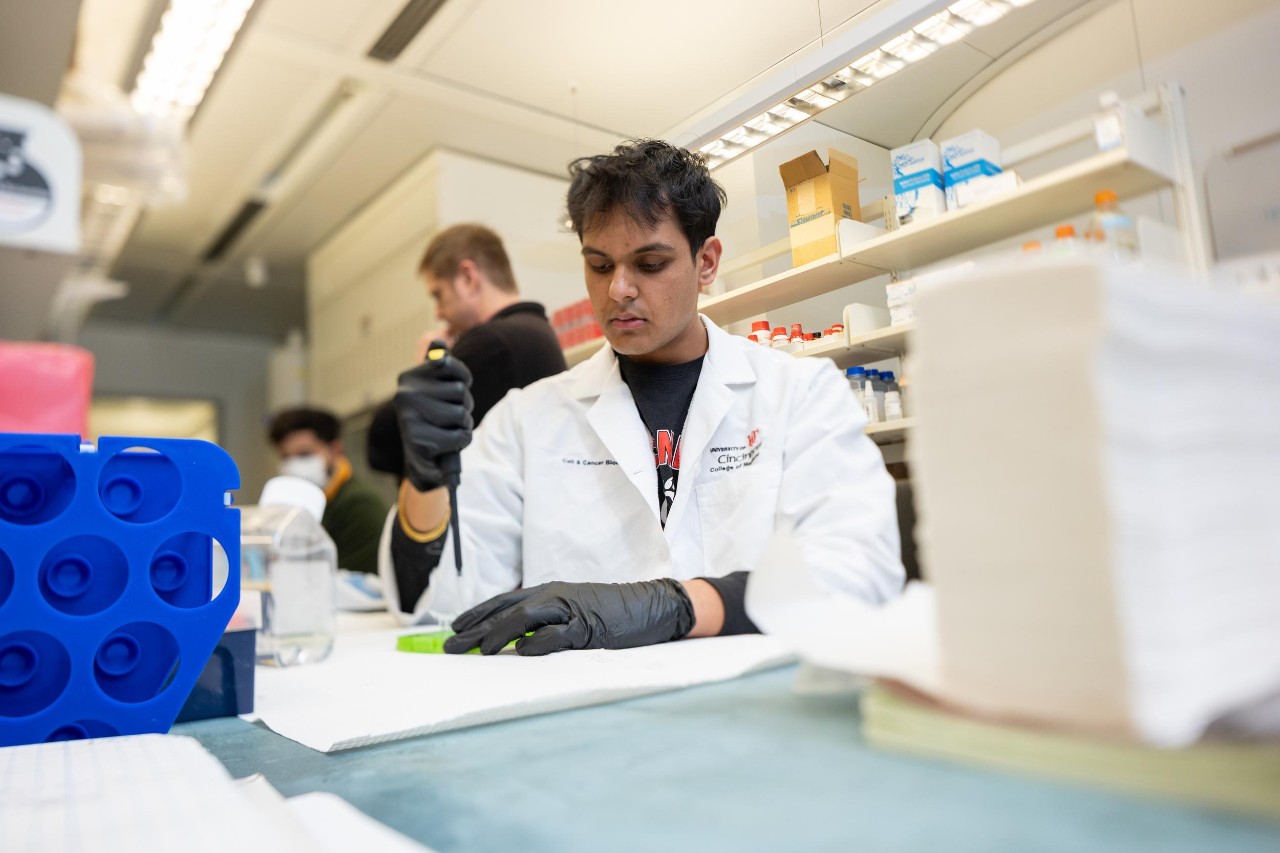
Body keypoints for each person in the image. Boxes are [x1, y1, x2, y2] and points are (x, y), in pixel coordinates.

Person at [382, 139, 903, 655]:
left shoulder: (799, 394)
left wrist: (679, 606)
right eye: (600, 265)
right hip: (589, 716)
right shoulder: (528, 418)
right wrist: (425, 479)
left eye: (649, 264)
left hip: (758, 706)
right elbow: (445, 609)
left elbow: (862, 569)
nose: (618, 291)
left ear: (706, 262)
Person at [364, 223, 566, 482]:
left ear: (468, 278)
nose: (438, 313)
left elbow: (385, 445)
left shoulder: (491, 343)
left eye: (438, 295)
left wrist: (426, 372)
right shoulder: (535, 333)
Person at [269, 407, 388, 574]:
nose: (294, 465)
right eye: (286, 457)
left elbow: (353, 582)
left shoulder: (360, 504)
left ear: (335, 450)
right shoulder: (295, 507)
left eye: (304, 454)